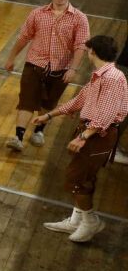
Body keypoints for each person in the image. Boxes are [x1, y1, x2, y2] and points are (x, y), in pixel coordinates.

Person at [39, 36, 126, 244]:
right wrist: (50, 115)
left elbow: (105, 114)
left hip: (97, 136)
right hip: (89, 132)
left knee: (77, 179)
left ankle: (90, 221)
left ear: (92, 52)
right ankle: (77, 219)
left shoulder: (112, 78)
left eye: (88, 51)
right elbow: (79, 100)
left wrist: (83, 137)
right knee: (84, 177)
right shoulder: (100, 76)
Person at [2, 0, 91, 152]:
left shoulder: (80, 19)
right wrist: (11, 58)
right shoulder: (37, 14)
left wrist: (73, 68)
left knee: (49, 104)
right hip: (34, 65)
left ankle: (39, 131)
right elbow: (23, 37)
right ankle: (18, 137)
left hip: (62, 69)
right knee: (26, 101)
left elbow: (81, 46)